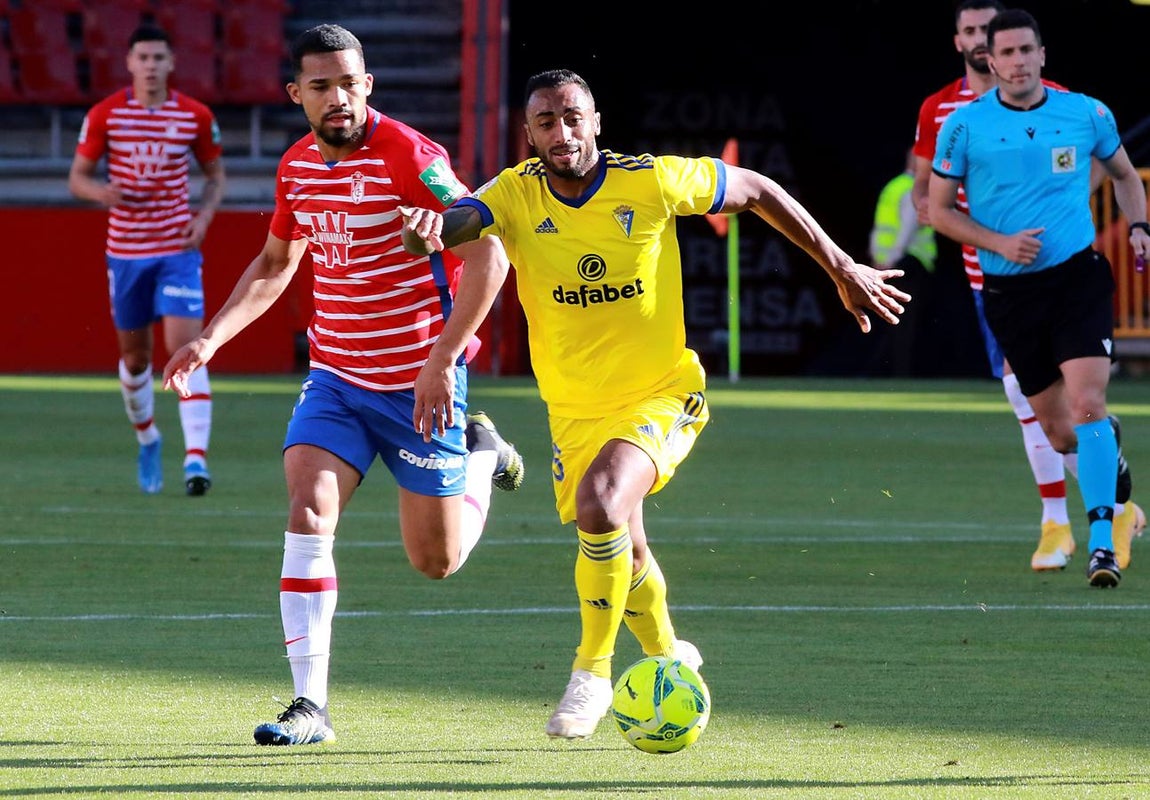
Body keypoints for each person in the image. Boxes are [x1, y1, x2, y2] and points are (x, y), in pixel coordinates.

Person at [400, 68, 910, 739]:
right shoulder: (515, 194)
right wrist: (430, 230)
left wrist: (841, 266)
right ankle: (669, 657)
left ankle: (591, 673)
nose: (563, 133)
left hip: (663, 392)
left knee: (602, 502)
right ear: (528, 133)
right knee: (625, 548)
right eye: (547, 122)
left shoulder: (651, 180)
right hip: (576, 410)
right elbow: (465, 221)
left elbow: (757, 189)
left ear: (597, 121)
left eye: (574, 116)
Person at [161, 23, 524, 746]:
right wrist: (210, 337)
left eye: (349, 83)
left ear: (368, 86)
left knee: (436, 562)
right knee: (308, 508)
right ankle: (310, 707)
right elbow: (274, 264)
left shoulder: (413, 157)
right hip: (336, 378)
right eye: (320, 86)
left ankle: (482, 453)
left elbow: (491, 253)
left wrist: (441, 360)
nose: (338, 98)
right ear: (297, 94)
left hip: (419, 380)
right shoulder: (296, 166)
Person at [911, 0, 1144, 572]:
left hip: (1077, 280)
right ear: (984, 55)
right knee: (1058, 428)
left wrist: (1137, 226)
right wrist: (999, 242)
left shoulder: (1083, 111)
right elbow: (933, 208)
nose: (1016, 62)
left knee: (1088, 404)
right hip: (1006, 288)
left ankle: (1096, 541)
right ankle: (1083, 491)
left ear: (1042, 54)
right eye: (1004, 51)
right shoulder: (957, 121)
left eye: (1025, 50)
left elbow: (1120, 174)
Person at [68, 24, 226, 497]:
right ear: (130, 63)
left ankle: (195, 460)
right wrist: (98, 191)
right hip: (126, 254)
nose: (152, 66)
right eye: (144, 58)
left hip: (177, 250)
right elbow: (77, 178)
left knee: (187, 350)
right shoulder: (106, 115)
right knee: (135, 358)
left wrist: (204, 218)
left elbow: (216, 176)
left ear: (171, 63)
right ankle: (148, 437)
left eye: (160, 57)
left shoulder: (194, 116)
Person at [867, 147, 937, 376]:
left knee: (895, 320)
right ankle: (898, 372)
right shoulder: (911, 189)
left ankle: (892, 371)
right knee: (903, 322)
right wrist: (891, 259)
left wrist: (878, 257)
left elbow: (879, 228)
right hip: (905, 260)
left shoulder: (894, 186)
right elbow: (907, 228)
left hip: (891, 260)